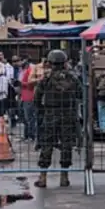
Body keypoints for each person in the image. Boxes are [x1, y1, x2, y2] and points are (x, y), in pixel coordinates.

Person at [33, 49, 81, 189]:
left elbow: (37, 99)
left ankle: (43, 177)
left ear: (50, 62)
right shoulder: (72, 78)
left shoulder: (46, 79)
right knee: (66, 145)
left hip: (50, 113)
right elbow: (80, 93)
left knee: (47, 144)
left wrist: (42, 111)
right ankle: (64, 177)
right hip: (68, 114)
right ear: (65, 62)